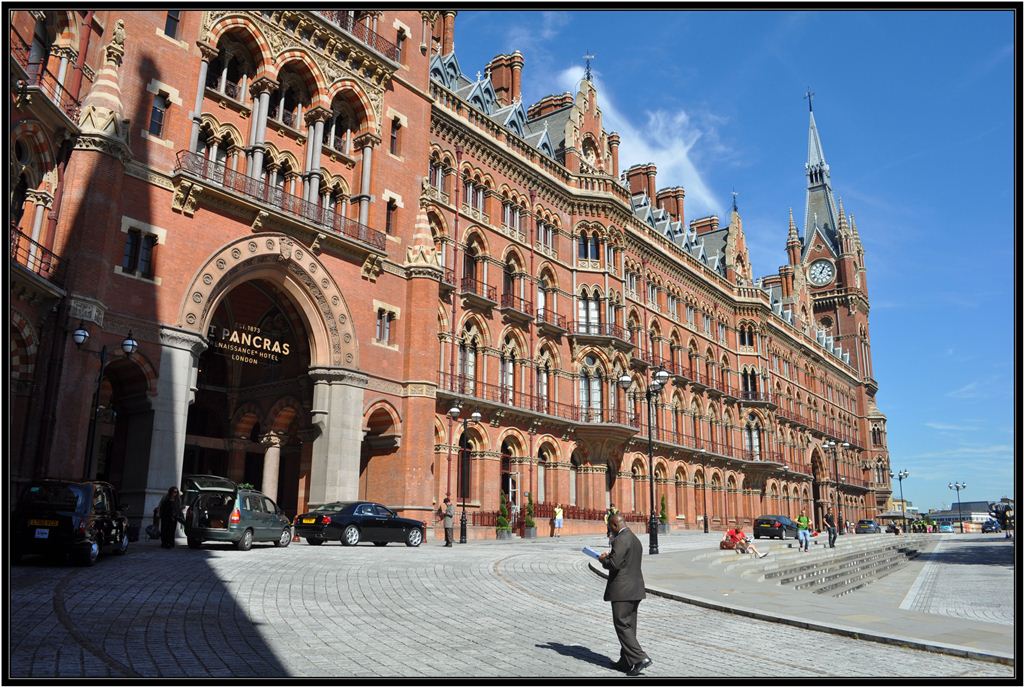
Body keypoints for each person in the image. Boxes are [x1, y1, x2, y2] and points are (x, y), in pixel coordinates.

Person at [599, 513, 653, 676]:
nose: (610, 532)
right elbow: (625, 561)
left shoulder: (621, 539)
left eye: (610, 528)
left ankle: (640, 658)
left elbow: (614, 564)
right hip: (635, 589)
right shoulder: (634, 539)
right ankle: (626, 661)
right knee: (629, 626)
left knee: (622, 625)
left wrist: (603, 559)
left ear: (615, 525)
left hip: (622, 590)